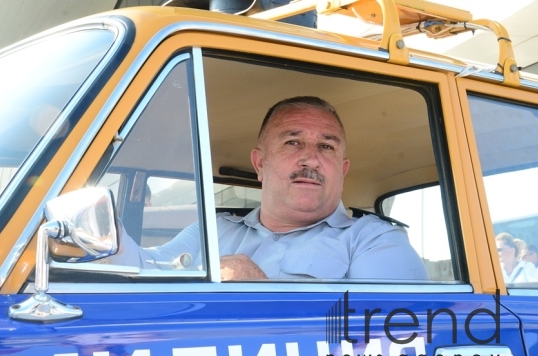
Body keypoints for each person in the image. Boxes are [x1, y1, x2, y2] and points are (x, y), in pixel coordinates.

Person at [111, 96, 428, 281]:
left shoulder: (374, 241)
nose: (311, 159)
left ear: (343, 170)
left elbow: (383, 343)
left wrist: (263, 291)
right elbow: (144, 271)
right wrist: (105, 235)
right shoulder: (210, 232)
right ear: (260, 163)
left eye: (327, 147)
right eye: (293, 143)